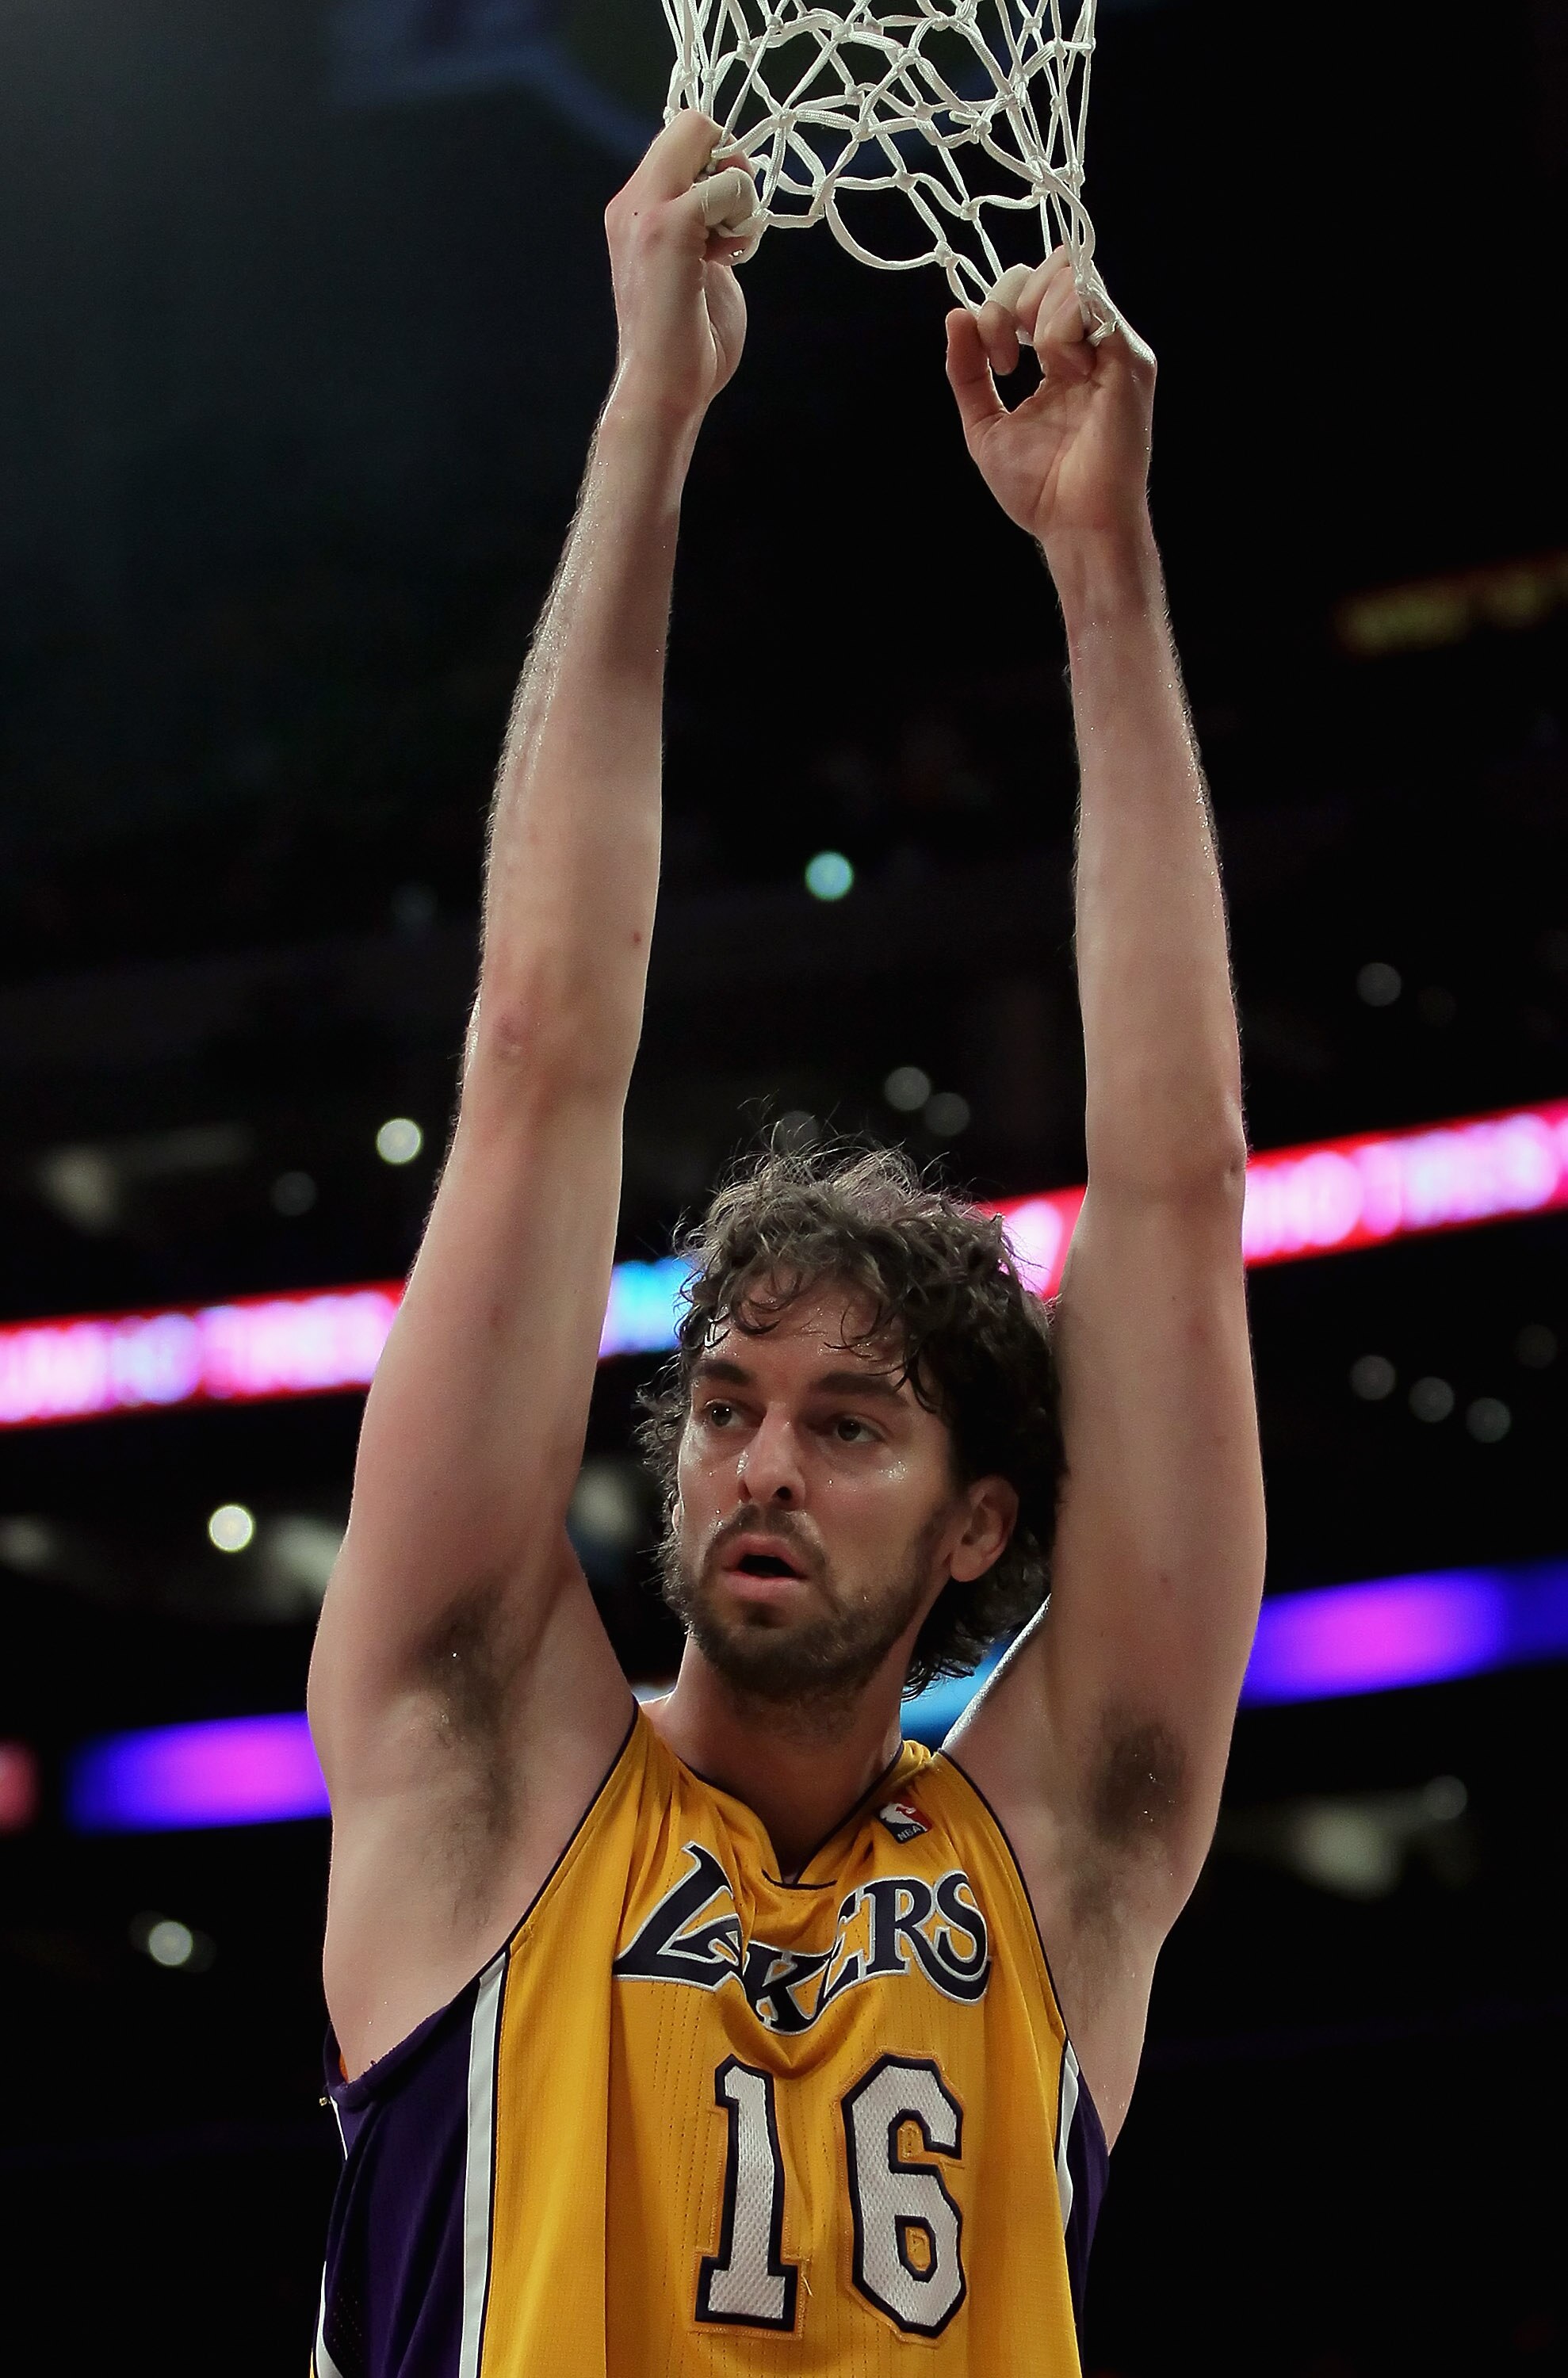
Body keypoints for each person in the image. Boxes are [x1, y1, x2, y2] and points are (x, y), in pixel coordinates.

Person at [307, 109, 1265, 2378]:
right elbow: (537, 1052)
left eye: (848, 1425)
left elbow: (1177, 1198)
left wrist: (1104, 574)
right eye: (731, 1404)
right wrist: (647, 414)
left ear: (983, 1525)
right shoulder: (484, 1772)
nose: (759, 1461)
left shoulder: (1059, 1862)